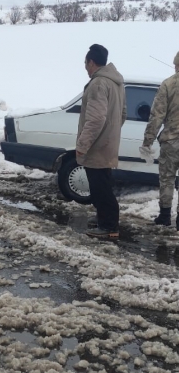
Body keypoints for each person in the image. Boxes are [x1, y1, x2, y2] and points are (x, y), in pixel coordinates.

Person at [76, 44, 126, 238]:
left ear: (92, 62)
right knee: (101, 184)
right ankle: (104, 218)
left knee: (100, 187)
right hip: (107, 144)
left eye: (85, 63)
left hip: (96, 146)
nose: (85, 68)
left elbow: (96, 119)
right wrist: (111, 134)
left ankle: (109, 227)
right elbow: (122, 114)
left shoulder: (98, 83)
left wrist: (82, 145)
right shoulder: (117, 82)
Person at [140, 51, 179, 229]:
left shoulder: (168, 84)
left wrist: (148, 141)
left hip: (171, 141)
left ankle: (164, 215)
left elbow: (156, 116)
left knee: (167, 178)